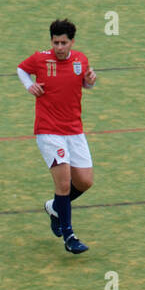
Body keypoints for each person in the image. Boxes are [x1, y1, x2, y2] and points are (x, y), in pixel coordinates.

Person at [17, 18, 97, 255]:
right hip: (49, 130)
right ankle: (69, 236)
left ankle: (54, 208)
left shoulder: (81, 60)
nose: (59, 47)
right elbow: (21, 69)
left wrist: (91, 82)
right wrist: (28, 86)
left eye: (63, 43)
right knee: (63, 183)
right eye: (55, 43)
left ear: (72, 42)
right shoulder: (40, 59)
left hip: (74, 130)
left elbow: (85, 84)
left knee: (84, 181)